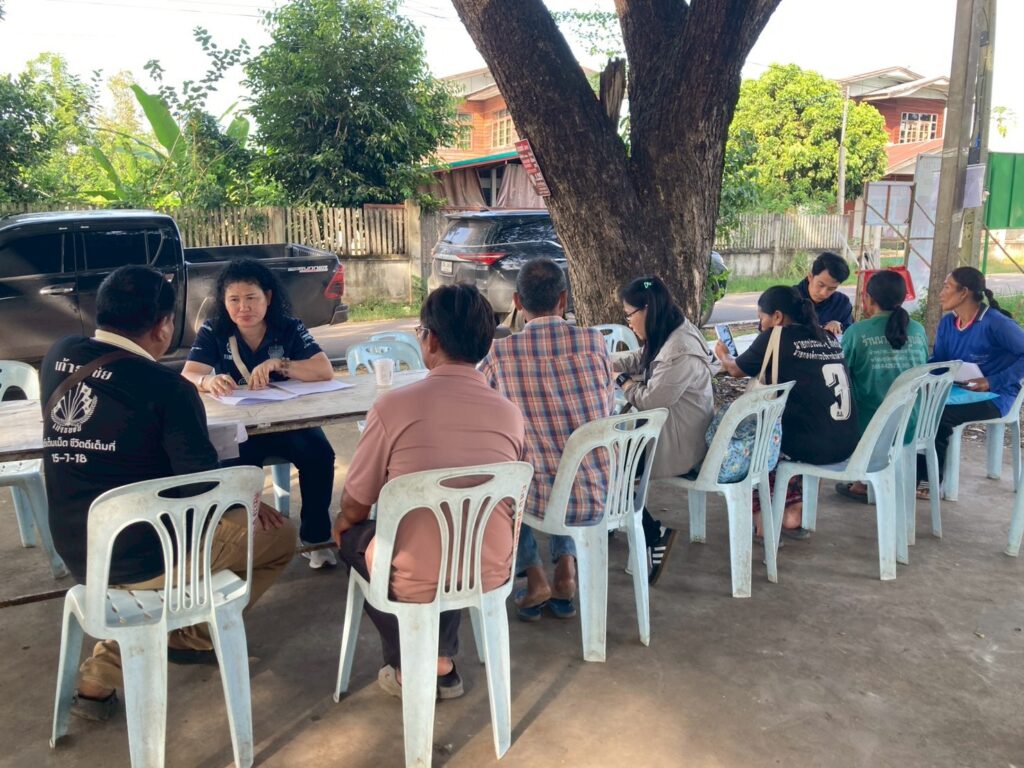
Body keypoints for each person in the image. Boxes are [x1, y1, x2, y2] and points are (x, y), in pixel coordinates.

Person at [40, 265, 295, 721]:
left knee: (196, 540)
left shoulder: (58, 356)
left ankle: (105, 671)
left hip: (78, 547)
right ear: (163, 326)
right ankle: (191, 636)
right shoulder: (168, 389)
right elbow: (203, 488)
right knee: (279, 535)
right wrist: (248, 506)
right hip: (144, 556)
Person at [332, 284, 525, 700]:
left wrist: (344, 522)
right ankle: (441, 658)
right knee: (451, 534)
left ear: (430, 339)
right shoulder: (510, 414)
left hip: (415, 573)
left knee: (353, 538)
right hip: (490, 567)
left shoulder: (392, 407)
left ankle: (413, 662)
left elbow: (356, 503)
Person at [479, 258, 615, 621]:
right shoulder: (596, 343)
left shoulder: (500, 353)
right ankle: (566, 568)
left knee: (509, 467)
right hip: (601, 492)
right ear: (563, 299)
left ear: (517, 302)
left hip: (539, 498)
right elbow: (607, 406)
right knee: (562, 453)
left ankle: (534, 575)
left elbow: (481, 411)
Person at [182, 258, 338, 569]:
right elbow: (188, 374)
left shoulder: (289, 327)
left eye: (251, 297)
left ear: (267, 297)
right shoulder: (215, 330)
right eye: (234, 300)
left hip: (289, 423)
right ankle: (246, 542)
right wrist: (207, 381)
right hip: (242, 428)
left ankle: (315, 539)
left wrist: (281, 364)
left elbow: (324, 370)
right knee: (234, 470)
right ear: (224, 302)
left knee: (320, 456)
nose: (243, 307)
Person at [715, 286, 859, 538]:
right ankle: (795, 509)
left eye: (761, 318)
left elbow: (735, 370)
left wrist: (722, 354)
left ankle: (762, 517)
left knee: (750, 442)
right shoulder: (826, 336)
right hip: (847, 440)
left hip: (808, 445)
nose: (760, 325)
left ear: (777, 316)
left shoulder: (775, 336)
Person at [614, 276, 714, 584]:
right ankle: (617, 518)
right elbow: (643, 358)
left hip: (678, 444)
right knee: (611, 457)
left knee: (608, 464)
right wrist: (605, 361)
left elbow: (651, 400)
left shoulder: (679, 349)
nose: (628, 322)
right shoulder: (671, 329)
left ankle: (651, 532)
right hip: (672, 431)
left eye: (629, 315)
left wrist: (623, 382)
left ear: (646, 309)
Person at [923, 266, 1024, 496]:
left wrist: (992, 381)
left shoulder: (995, 323)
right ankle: (916, 472)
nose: (941, 293)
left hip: (997, 396)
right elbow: (940, 361)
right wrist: (922, 376)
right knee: (918, 405)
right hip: (958, 391)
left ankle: (929, 481)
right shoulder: (948, 323)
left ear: (964, 292)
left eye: (947, 287)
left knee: (939, 415)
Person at [836, 270, 928, 501]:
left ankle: (862, 481)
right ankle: (868, 479)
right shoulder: (918, 330)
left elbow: (841, 375)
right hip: (911, 422)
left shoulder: (857, 332)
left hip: (869, 427)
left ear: (868, 298)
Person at [795, 251, 854, 335]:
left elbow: (850, 334)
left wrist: (839, 327)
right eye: (821, 285)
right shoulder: (789, 298)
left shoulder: (841, 304)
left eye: (831, 288)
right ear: (810, 277)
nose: (823, 293)